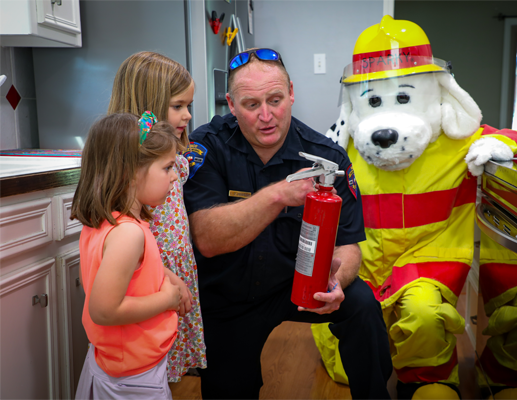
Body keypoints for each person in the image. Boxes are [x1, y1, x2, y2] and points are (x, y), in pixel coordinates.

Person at [183, 48, 393, 400]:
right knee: (230, 389)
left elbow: (349, 246)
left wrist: (335, 283)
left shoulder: (328, 156)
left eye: (276, 100)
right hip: (228, 296)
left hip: (299, 285)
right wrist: (277, 195)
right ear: (231, 106)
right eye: (251, 105)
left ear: (292, 93)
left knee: (362, 305)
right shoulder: (207, 147)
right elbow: (207, 238)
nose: (267, 116)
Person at [108, 51, 207, 381]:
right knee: (149, 362)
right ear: (148, 103)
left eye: (188, 106)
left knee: (165, 369)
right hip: (153, 275)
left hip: (176, 266)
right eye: (178, 106)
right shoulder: (135, 171)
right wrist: (165, 277)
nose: (188, 115)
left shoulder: (172, 158)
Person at [71, 112, 182, 399]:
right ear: (131, 171)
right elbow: (105, 310)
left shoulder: (111, 222)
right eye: (168, 167)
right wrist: (168, 299)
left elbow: (134, 272)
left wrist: (171, 279)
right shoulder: (128, 234)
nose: (175, 175)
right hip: (133, 379)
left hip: (119, 364)